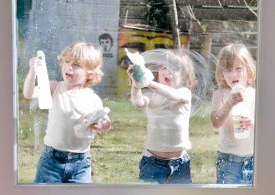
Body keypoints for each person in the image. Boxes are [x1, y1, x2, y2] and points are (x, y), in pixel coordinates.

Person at [23, 42, 111, 183]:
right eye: (66, 61)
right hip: (51, 161)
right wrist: (33, 71)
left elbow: (106, 122)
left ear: (90, 74)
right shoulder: (55, 87)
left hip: (80, 163)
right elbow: (29, 93)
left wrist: (101, 126)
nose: (69, 67)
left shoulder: (92, 98)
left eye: (76, 64)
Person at [127, 49, 196, 184]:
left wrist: (146, 81)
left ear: (184, 77)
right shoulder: (151, 96)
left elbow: (173, 95)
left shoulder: (184, 93)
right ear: (157, 74)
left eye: (174, 68)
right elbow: (138, 102)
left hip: (180, 163)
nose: (167, 71)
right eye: (163, 68)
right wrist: (136, 84)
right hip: (153, 162)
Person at [210, 44, 256, 184]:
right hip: (228, 159)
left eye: (238, 68)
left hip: (252, 159)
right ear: (222, 74)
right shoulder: (220, 95)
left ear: (248, 69)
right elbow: (215, 123)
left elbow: (267, 124)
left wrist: (253, 122)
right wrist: (229, 103)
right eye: (227, 70)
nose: (233, 74)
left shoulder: (254, 94)